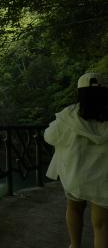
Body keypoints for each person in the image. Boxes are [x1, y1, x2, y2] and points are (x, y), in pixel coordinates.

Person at [44, 72, 108, 248]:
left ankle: (74, 245)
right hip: (104, 179)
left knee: (74, 209)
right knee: (102, 225)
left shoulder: (69, 116)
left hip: (75, 175)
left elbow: (49, 137)